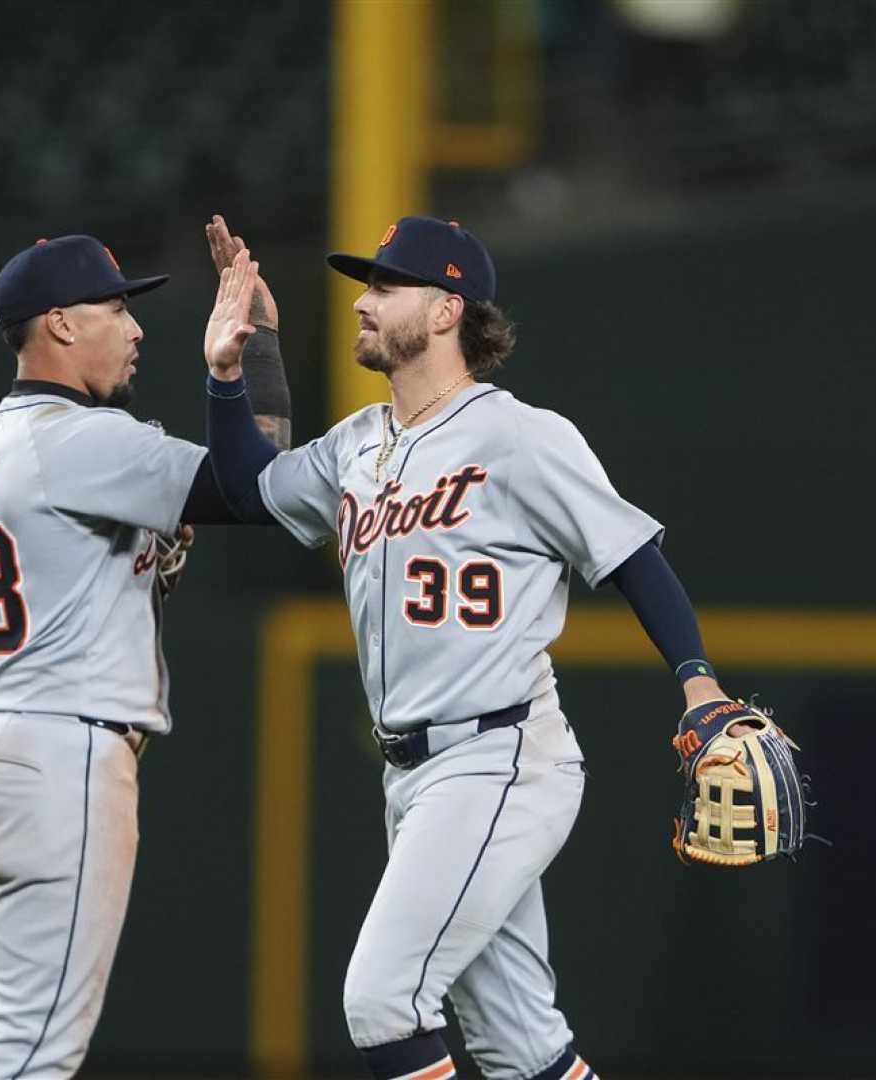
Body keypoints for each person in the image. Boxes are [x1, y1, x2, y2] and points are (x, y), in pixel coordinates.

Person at [200, 215, 747, 1080]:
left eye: (385, 286)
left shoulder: (519, 435)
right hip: (414, 778)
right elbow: (243, 490)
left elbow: (634, 557)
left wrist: (698, 684)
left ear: (448, 309)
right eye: (364, 285)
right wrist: (242, 360)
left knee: (382, 1001)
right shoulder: (355, 445)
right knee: (520, 1046)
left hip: (499, 757)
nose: (363, 303)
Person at [0, 232, 289, 1077]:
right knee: (35, 1049)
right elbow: (259, 487)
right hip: (58, 755)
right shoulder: (83, 441)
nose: (136, 326)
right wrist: (252, 356)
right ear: (61, 326)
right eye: (116, 307)